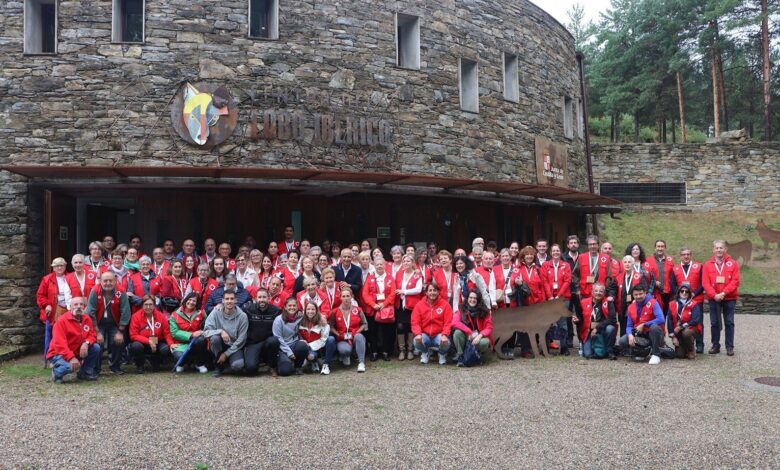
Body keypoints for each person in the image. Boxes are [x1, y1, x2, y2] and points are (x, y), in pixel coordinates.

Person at [86, 271, 132, 375]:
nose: (108, 283)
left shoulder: (121, 291)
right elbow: (90, 312)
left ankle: (115, 366)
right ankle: (95, 369)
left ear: (115, 281)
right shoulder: (95, 291)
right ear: (100, 281)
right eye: (105, 281)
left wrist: (120, 331)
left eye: (110, 280)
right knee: (97, 343)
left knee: (118, 341)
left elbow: (126, 311)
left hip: (115, 323)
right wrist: (97, 332)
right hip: (98, 323)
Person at [46, 297, 101, 383]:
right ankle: (56, 372)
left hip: (76, 351)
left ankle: (85, 373)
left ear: (84, 307)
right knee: (70, 366)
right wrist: (71, 358)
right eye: (75, 304)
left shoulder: (87, 318)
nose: (79, 307)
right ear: (70, 307)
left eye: (81, 304)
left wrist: (86, 343)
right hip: (58, 353)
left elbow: (92, 335)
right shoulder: (61, 321)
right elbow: (60, 344)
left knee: (96, 348)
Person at [702, 240, 740, 356]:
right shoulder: (707, 265)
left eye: (721, 248)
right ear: (713, 250)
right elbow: (705, 283)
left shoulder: (733, 263)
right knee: (714, 322)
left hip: (729, 298)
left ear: (725, 250)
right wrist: (714, 295)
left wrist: (723, 293)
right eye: (717, 248)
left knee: (729, 322)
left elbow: (735, 281)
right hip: (714, 298)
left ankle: (729, 346)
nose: (719, 250)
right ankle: (715, 345)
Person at [37, 257, 81, 356]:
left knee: (69, 333)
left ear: (65, 266)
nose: (60, 267)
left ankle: (68, 355)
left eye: (62, 265)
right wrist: (47, 304)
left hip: (69, 309)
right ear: (53, 268)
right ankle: (51, 356)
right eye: (57, 266)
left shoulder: (71, 277)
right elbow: (40, 296)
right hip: (53, 312)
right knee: (52, 334)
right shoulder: (47, 279)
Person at [203, 289, 248, 377]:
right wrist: (221, 331)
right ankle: (218, 366)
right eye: (227, 299)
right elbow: (206, 332)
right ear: (222, 300)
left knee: (238, 366)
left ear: (236, 300)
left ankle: (228, 362)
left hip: (234, 346)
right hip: (220, 344)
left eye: (232, 299)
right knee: (215, 338)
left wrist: (226, 354)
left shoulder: (242, 316)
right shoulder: (215, 312)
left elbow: (242, 339)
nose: (229, 301)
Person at [618, 284, 665, 365]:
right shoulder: (631, 307)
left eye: (640, 294)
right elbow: (629, 326)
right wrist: (630, 335)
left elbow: (661, 319)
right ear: (633, 295)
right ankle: (642, 352)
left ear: (645, 293)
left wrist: (644, 324)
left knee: (654, 327)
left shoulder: (653, 302)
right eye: (636, 294)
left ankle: (656, 354)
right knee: (622, 341)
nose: (638, 296)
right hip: (640, 334)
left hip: (653, 333)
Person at [670, 246, 705, 353]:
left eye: (688, 254)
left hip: (696, 299)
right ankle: (684, 344)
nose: (686, 256)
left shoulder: (699, 266)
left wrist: (694, 293)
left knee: (698, 322)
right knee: (680, 320)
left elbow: (703, 283)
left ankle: (700, 344)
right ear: (680, 256)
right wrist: (680, 296)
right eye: (684, 254)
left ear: (691, 255)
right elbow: (673, 284)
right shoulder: (675, 268)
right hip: (681, 300)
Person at [361, 257, 397, 361]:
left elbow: (393, 293)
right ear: (374, 266)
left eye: (381, 264)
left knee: (386, 331)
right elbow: (365, 294)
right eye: (377, 265)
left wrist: (384, 304)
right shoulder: (370, 277)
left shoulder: (390, 278)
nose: (379, 266)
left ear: (385, 266)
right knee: (373, 331)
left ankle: (385, 352)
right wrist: (373, 304)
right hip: (373, 309)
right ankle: (374, 352)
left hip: (386, 309)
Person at [128, 295, 174, 373]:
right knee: (136, 346)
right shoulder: (135, 316)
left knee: (165, 349)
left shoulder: (161, 316)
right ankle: (140, 365)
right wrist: (148, 341)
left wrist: (171, 344)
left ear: (154, 306)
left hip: (157, 341)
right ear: (142, 305)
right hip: (143, 343)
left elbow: (167, 333)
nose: (148, 307)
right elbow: (133, 335)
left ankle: (156, 362)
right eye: (146, 304)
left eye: (150, 304)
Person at [242, 289, 282, 376]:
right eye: (259, 297)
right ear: (255, 298)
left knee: (274, 341)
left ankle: (272, 366)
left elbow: (286, 318)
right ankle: (258, 362)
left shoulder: (276, 311)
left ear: (268, 298)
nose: (262, 299)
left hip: (268, 342)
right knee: (251, 369)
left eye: (264, 297)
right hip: (253, 343)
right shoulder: (248, 310)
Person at [411, 283, 453, 365]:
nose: (432, 293)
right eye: (430, 290)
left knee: (446, 342)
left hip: (439, 335)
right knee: (416, 341)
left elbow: (448, 322)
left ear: (438, 292)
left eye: (434, 290)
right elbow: (415, 322)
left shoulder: (445, 305)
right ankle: (425, 352)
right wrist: (418, 334)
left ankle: (441, 354)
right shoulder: (419, 305)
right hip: (425, 335)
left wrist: (444, 334)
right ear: (426, 293)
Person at [169, 292, 209, 374]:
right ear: (185, 300)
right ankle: (182, 364)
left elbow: (208, 326)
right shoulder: (175, 315)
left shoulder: (201, 313)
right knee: (178, 356)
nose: (191, 302)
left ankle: (199, 364)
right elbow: (174, 333)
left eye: (194, 301)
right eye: (189, 299)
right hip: (181, 344)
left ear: (197, 303)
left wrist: (202, 331)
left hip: (196, 342)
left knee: (201, 341)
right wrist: (191, 334)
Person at [451, 291, 493, 367]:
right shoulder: (461, 309)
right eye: (470, 297)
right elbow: (454, 322)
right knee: (457, 333)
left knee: (485, 342)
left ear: (479, 300)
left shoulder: (485, 311)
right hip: (466, 336)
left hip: (478, 338)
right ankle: (461, 356)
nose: (472, 300)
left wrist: (480, 335)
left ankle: (476, 355)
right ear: (467, 298)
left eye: (475, 298)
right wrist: (468, 331)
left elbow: (489, 328)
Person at [575, 283, 617, 360]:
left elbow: (613, 319)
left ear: (604, 293)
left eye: (601, 291)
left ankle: (609, 351)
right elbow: (580, 319)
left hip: (602, 330)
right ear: (592, 292)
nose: (598, 293)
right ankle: (596, 348)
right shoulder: (584, 302)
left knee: (610, 328)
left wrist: (597, 328)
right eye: (596, 291)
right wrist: (577, 321)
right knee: (587, 354)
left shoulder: (608, 302)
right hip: (588, 332)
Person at [331, 288, 368, 373]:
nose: (346, 298)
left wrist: (357, 332)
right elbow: (331, 326)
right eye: (343, 296)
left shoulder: (358, 310)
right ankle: (346, 355)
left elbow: (364, 324)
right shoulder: (335, 311)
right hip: (342, 338)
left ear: (351, 297)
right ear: (340, 298)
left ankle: (361, 363)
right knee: (345, 350)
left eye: (348, 296)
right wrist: (338, 334)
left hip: (355, 337)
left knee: (359, 337)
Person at [395, 254, 423, 360]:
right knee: (400, 327)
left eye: (408, 261)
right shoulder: (398, 274)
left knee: (411, 327)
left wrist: (404, 291)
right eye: (404, 261)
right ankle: (402, 350)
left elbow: (418, 289)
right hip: (400, 305)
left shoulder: (417, 275)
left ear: (412, 263)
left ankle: (410, 349)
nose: (405, 263)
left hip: (412, 306)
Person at [272, 297, 309, 376]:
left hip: (294, 344)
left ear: (297, 307)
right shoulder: (278, 320)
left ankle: (298, 367)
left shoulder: (300, 317)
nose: (292, 307)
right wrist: (289, 353)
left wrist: (302, 339)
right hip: (282, 348)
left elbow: (311, 317)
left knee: (303, 346)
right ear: (285, 307)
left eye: (294, 305)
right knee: (284, 372)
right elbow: (278, 338)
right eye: (289, 305)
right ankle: (285, 362)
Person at [668, 283, 702, 359]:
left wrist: (681, 326)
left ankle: (691, 350)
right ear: (678, 292)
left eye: (686, 291)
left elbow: (695, 320)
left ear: (689, 293)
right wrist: (673, 337)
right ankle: (684, 348)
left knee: (686, 333)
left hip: (691, 329)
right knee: (680, 355)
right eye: (682, 291)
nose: (684, 293)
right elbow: (669, 321)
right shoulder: (672, 304)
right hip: (678, 332)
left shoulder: (694, 304)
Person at [298, 302, 332, 373]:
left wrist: (310, 345)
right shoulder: (300, 321)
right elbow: (298, 335)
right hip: (307, 348)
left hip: (320, 348)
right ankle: (313, 361)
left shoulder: (322, 322)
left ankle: (325, 364)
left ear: (316, 310)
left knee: (331, 339)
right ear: (305, 310)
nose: (310, 311)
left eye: (313, 309)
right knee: (310, 357)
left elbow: (323, 340)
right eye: (308, 309)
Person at [644, 240, 674, 310]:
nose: (660, 248)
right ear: (655, 248)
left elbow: (672, 276)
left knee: (664, 315)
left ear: (665, 248)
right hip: (653, 293)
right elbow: (646, 277)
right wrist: (654, 282)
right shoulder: (648, 261)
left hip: (666, 293)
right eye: (658, 246)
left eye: (662, 246)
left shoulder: (670, 260)